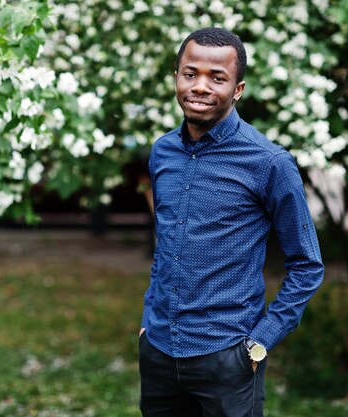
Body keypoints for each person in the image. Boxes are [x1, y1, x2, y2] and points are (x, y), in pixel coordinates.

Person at [138, 27, 325, 417]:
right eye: (190, 74)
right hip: (158, 352)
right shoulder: (162, 153)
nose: (200, 86)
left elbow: (307, 265)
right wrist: (146, 325)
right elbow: (166, 245)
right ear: (176, 77)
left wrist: (260, 342)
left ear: (237, 89)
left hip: (229, 357)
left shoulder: (269, 163)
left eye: (217, 78)